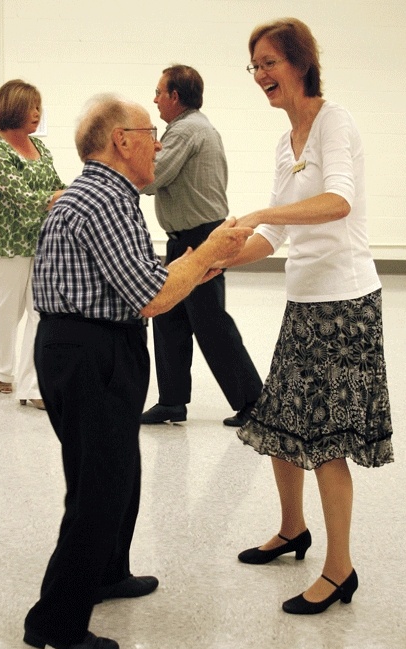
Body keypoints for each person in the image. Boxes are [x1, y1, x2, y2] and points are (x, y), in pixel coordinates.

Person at [23, 93, 253, 649]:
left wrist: (198, 263)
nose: (159, 141)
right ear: (121, 141)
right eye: (151, 132)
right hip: (89, 352)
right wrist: (205, 254)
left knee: (114, 473)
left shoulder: (107, 195)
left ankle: (107, 573)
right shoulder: (104, 199)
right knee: (100, 488)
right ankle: (55, 619)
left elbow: (145, 276)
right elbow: (151, 296)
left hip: (87, 346)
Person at [217, 18, 394, 614]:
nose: (261, 75)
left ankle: (340, 568)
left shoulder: (332, 121)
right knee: (282, 424)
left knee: (327, 441)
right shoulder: (283, 142)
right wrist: (226, 258)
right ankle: (293, 529)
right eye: (255, 66)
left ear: (299, 63)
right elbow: (273, 232)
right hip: (304, 299)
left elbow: (337, 201)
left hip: (344, 303)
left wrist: (261, 213)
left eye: (270, 62)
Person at [140, 64, 262, 427]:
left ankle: (254, 402)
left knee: (209, 322)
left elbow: (153, 176)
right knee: (168, 318)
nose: (155, 98)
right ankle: (172, 402)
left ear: (175, 97)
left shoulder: (187, 130)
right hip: (186, 239)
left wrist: (123, 161)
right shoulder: (189, 127)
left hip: (201, 238)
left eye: (159, 92)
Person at [0, 79, 65, 410]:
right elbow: (24, 199)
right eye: (32, 106)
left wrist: (78, 190)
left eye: (39, 106)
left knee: (40, 311)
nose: (38, 113)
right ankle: (4, 371)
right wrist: (57, 197)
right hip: (5, 244)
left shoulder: (40, 148)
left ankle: (32, 386)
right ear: (13, 109)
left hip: (39, 242)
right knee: (8, 312)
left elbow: (57, 185)